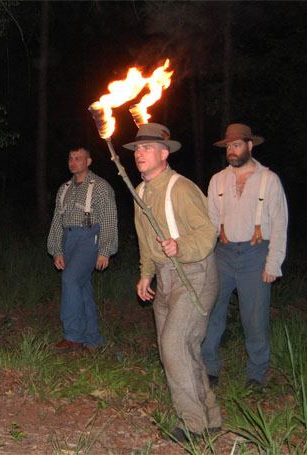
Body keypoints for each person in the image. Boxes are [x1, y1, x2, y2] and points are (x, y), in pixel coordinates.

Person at [124, 123, 221, 442]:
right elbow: (145, 239)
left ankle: (193, 426)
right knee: (183, 348)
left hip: (194, 274)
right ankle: (211, 417)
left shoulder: (180, 188)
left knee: (173, 345)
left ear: (164, 154)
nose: (139, 153)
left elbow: (207, 233)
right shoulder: (140, 192)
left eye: (147, 148)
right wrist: (145, 273)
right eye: (137, 149)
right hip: (164, 277)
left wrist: (181, 246)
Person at [201, 123, 288, 389]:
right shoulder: (218, 180)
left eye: (237, 145)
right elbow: (210, 223)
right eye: (228, 146)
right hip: (223, 255)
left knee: (254, 317)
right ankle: (208, 368)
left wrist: (273, 263)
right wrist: (203, 259)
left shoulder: (268, 180)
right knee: (212, 312)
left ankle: (256, 374)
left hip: (255, 255)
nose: (231, 150)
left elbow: (280, 223)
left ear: (250, 146)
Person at [47, 147, 118, 352]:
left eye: (78, 158)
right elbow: (57, 221)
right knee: (82, 288)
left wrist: (105, 250)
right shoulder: (65, 188)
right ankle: (93, 339)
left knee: (69, 279)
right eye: (70, 158)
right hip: (69, 239)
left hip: (89, 239)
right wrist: (56, 250)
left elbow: (109, 219)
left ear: (89, 161)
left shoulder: (101, 187)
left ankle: (73, 336)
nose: (73, 162)